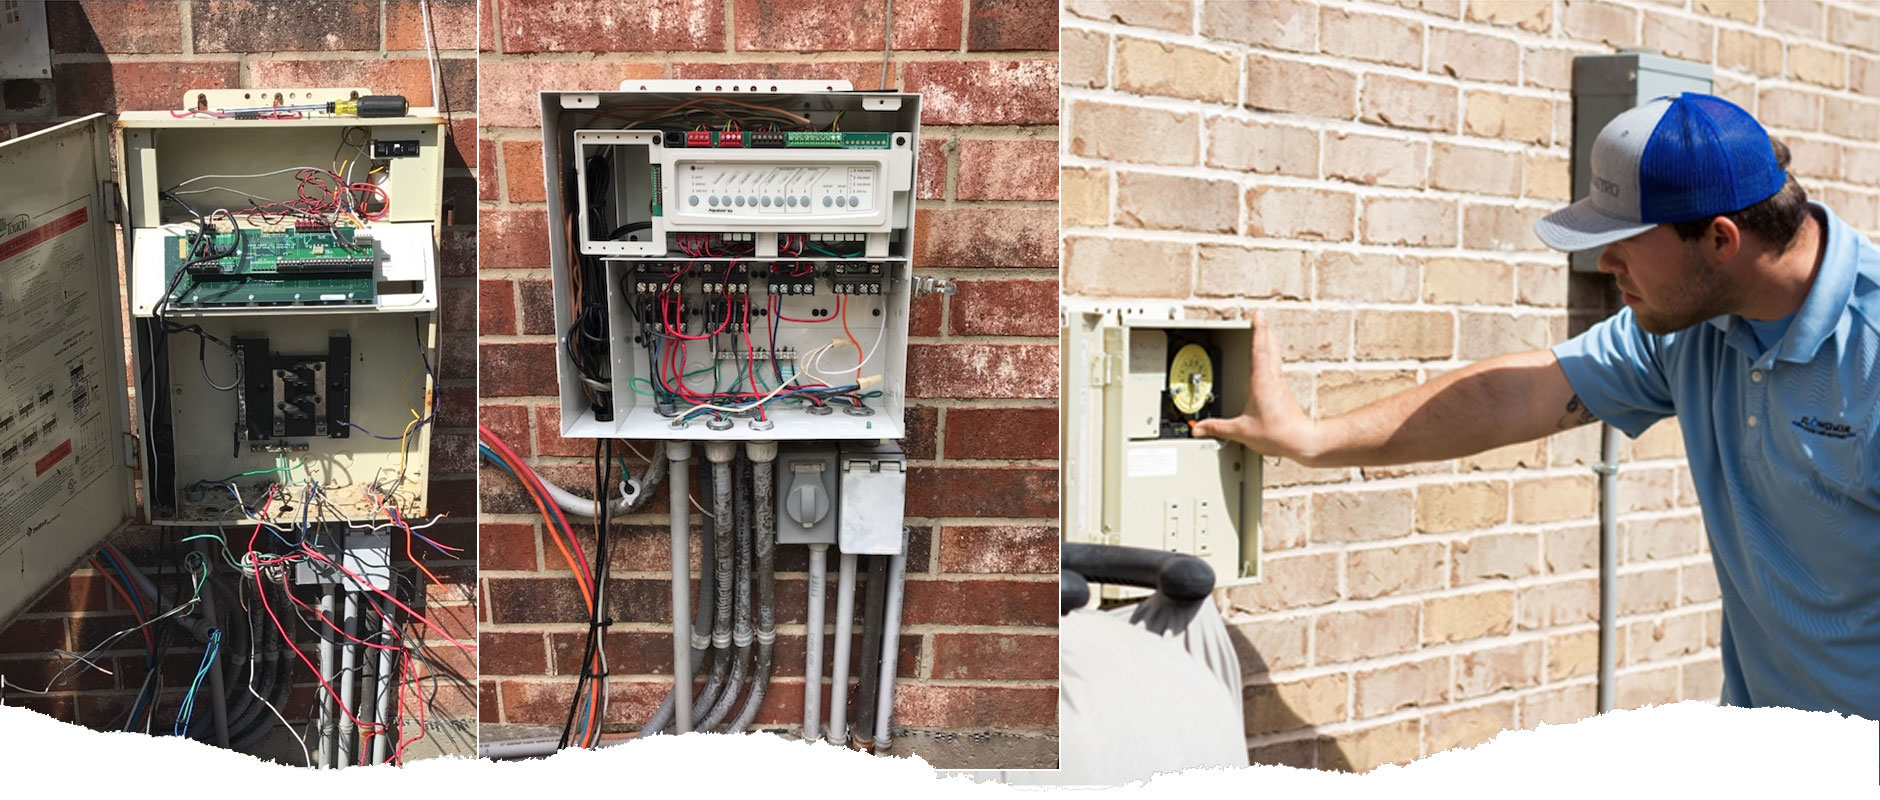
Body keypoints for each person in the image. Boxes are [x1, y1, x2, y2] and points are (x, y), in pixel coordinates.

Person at [1194, 93, 1878, 719]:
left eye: (1625, 243)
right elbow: (1516, 395)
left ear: (1722, 240)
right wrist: (1310, 439)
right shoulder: (1694, 326)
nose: (1607, 263)